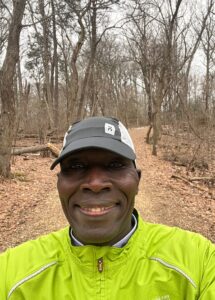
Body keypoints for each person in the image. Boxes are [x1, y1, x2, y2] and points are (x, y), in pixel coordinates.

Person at [0, 116, 215, 300]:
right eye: (76, 166)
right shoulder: (12, 274)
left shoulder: (198, 262)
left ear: (137, 181)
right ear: (58, 185)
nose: (95, 184)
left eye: (114, 165)